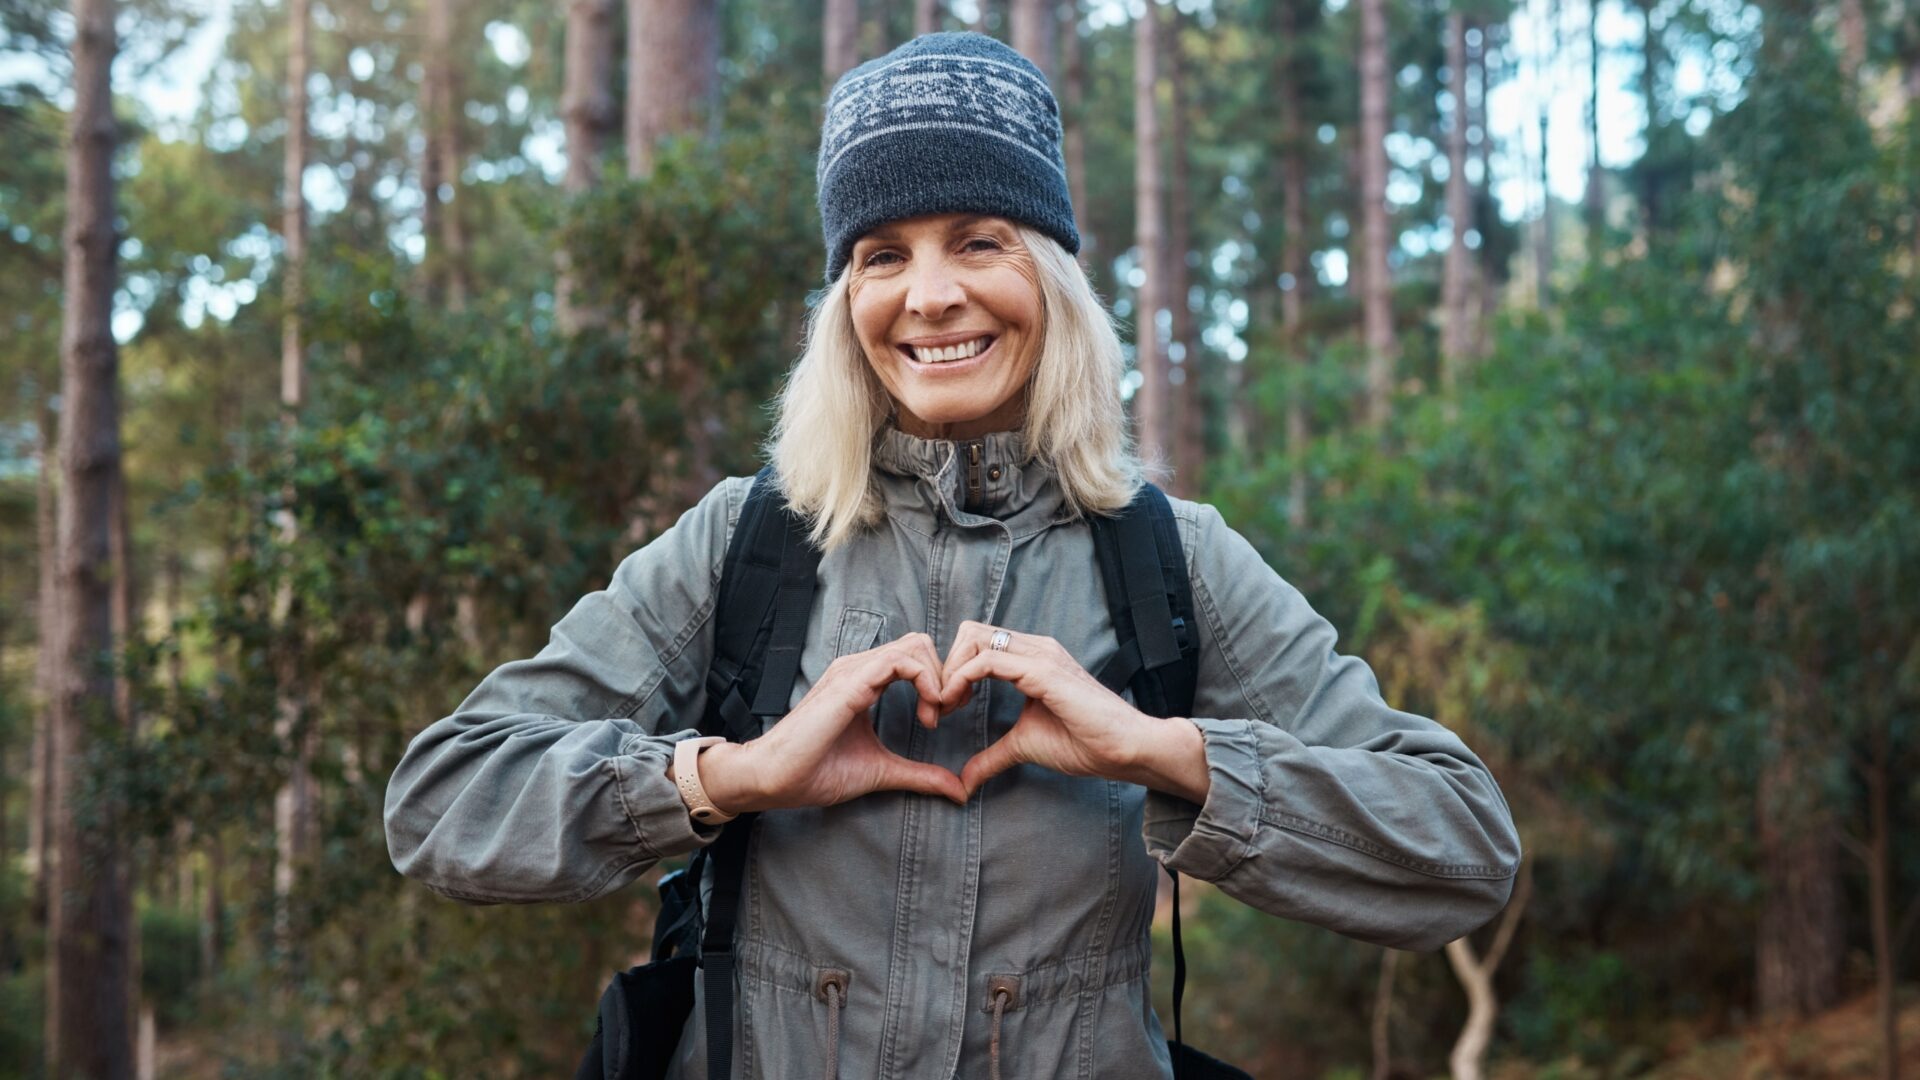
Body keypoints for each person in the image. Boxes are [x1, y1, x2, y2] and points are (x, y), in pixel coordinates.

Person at [384, 30, 1521, 1080]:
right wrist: (728, 777)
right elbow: (440, 803)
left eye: (980, 240)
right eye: (883, 255)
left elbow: (1464, 850)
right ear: (846, 301)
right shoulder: (750, 540)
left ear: (1053, 278)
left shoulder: (1176, 560)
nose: (930, 296)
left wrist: (1166, 753)